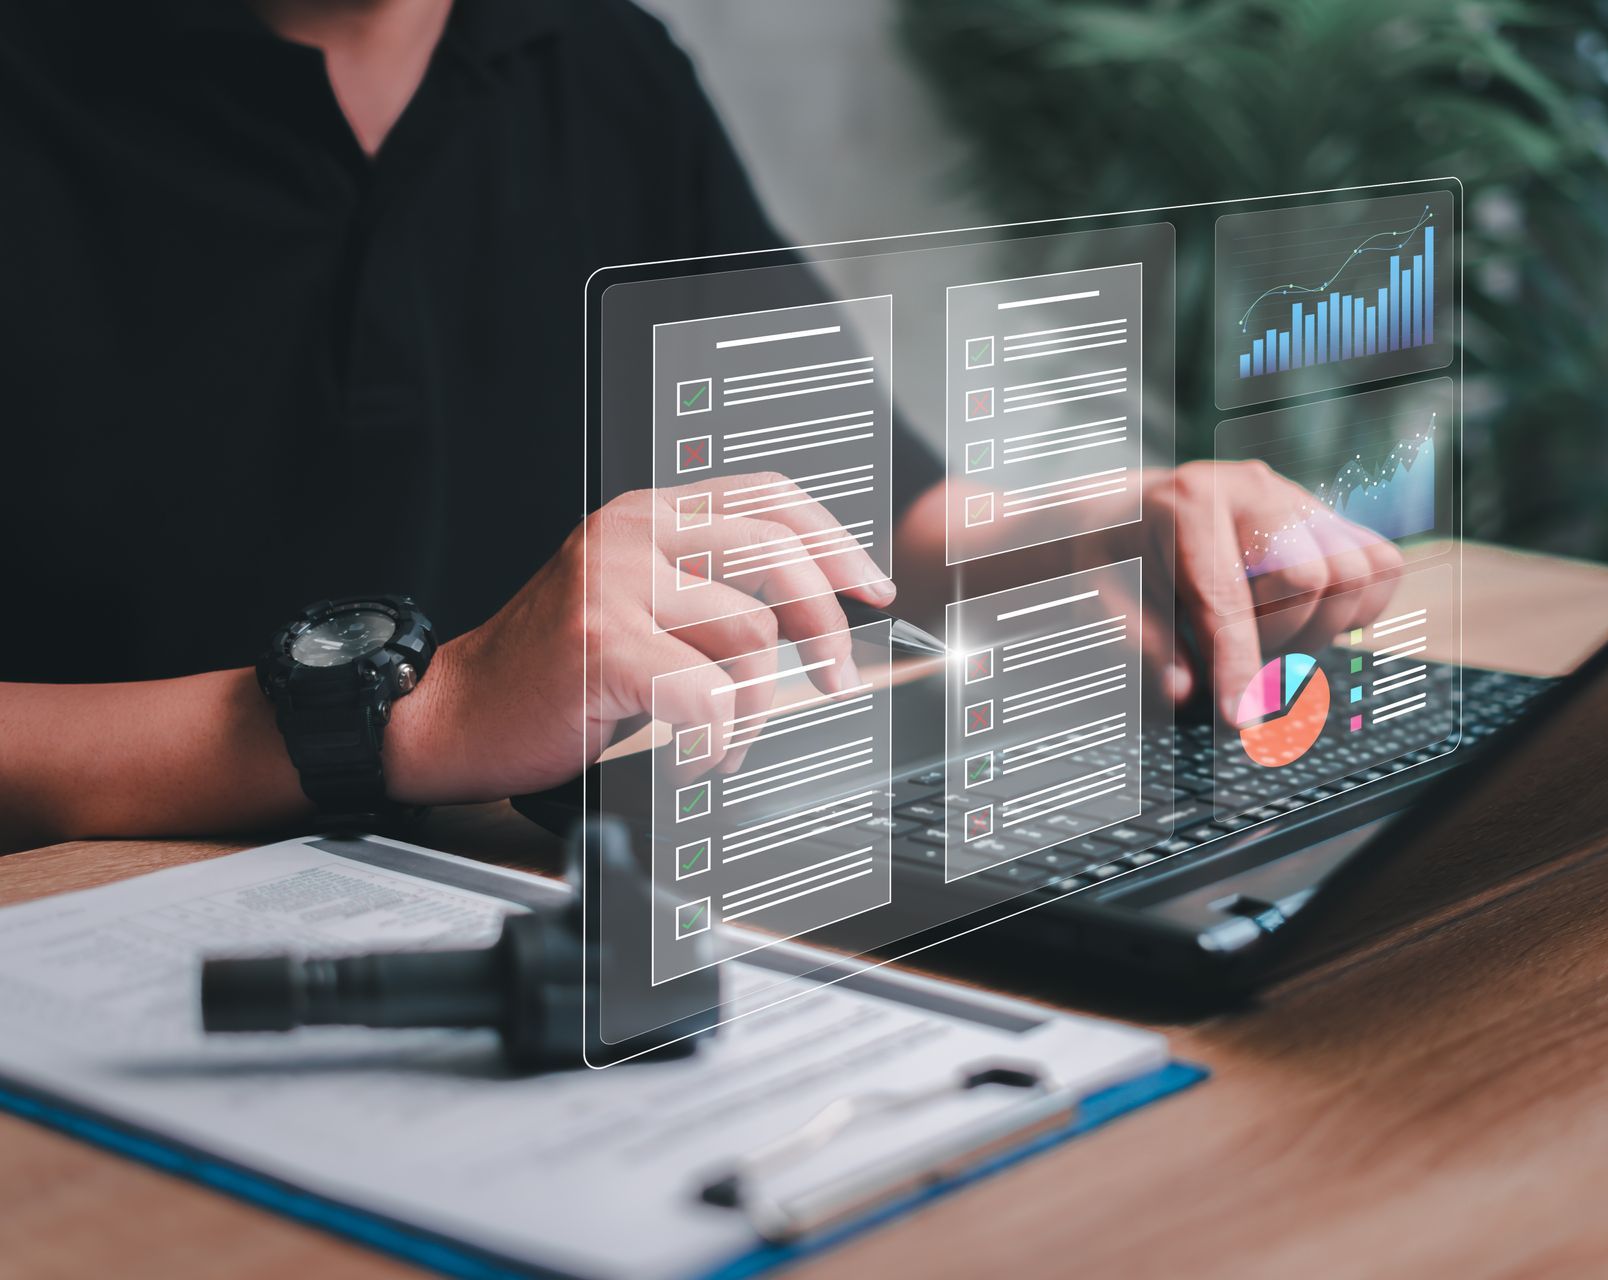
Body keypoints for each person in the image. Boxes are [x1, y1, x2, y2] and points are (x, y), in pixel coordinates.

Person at [0, 0, 1400, 852]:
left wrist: (1102, 527)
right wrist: (431, 717)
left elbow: (870, 503)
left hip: (523, 911)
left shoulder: (594, 61)